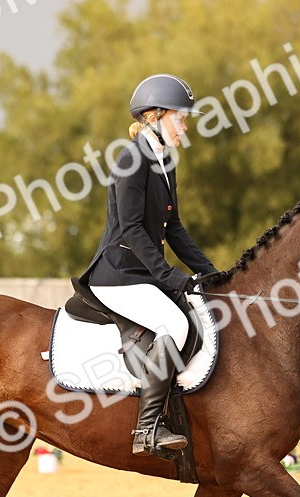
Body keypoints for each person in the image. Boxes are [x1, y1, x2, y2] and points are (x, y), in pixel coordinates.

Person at [81, 74, 219, 456]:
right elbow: (131, 228)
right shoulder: (131, 159)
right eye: (180, 118)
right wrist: (170, 275)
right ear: (156, 116)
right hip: (118, 275)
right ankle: (148, 429)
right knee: (176, 324)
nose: (185, 126)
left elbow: (173, 227)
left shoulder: (165, 162)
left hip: (143, 276)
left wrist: (210, 273)